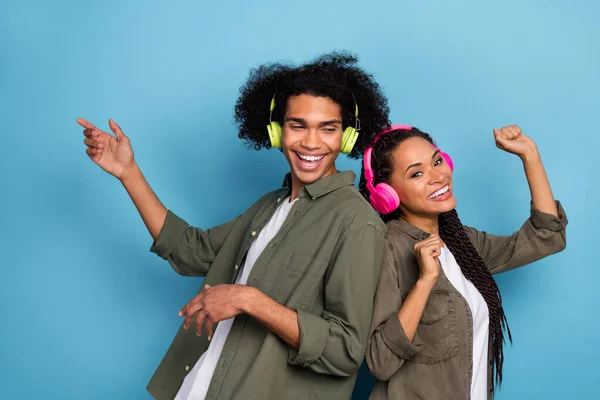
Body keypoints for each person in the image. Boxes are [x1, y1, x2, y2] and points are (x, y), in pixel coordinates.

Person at [78, 52, 390, 400]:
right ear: (276, 130)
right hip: (201, 386)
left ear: (347, 137)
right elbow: (189, 252)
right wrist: (129, 173)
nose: (311, 142)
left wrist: (249, 300)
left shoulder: (357, 222)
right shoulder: (270, 205)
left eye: (328, 129)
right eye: (297, 125)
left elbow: (345, 350)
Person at [359, 124, 567, 400]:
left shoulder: (461, 242)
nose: (437, 176)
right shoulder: (389, 248)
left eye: (437, 161)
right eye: (417, 173)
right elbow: (380, 361)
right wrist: (424, 282)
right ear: (388, 195)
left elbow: (546, 236)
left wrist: (530, 155)